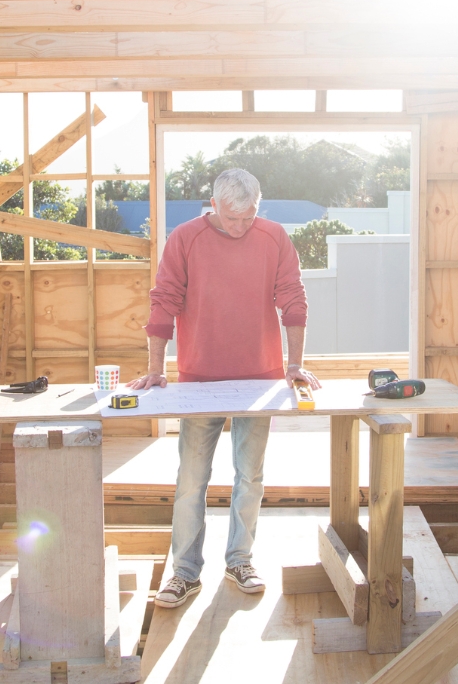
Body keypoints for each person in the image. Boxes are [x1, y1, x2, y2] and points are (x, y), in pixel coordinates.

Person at [130, 168, 320, 608]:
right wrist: (156, 368)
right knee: (191, 478)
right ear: (213, 205)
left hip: (260, 377)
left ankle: (240, 560)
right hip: (199, 377)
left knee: (249, 475)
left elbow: (293, 298)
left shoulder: (274, 237)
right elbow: (164, 300)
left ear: (259, 207)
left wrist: (294, 365)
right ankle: (184, 572)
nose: (240, 227)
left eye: (249, 217)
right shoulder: (185, 238)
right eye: (232, 218)